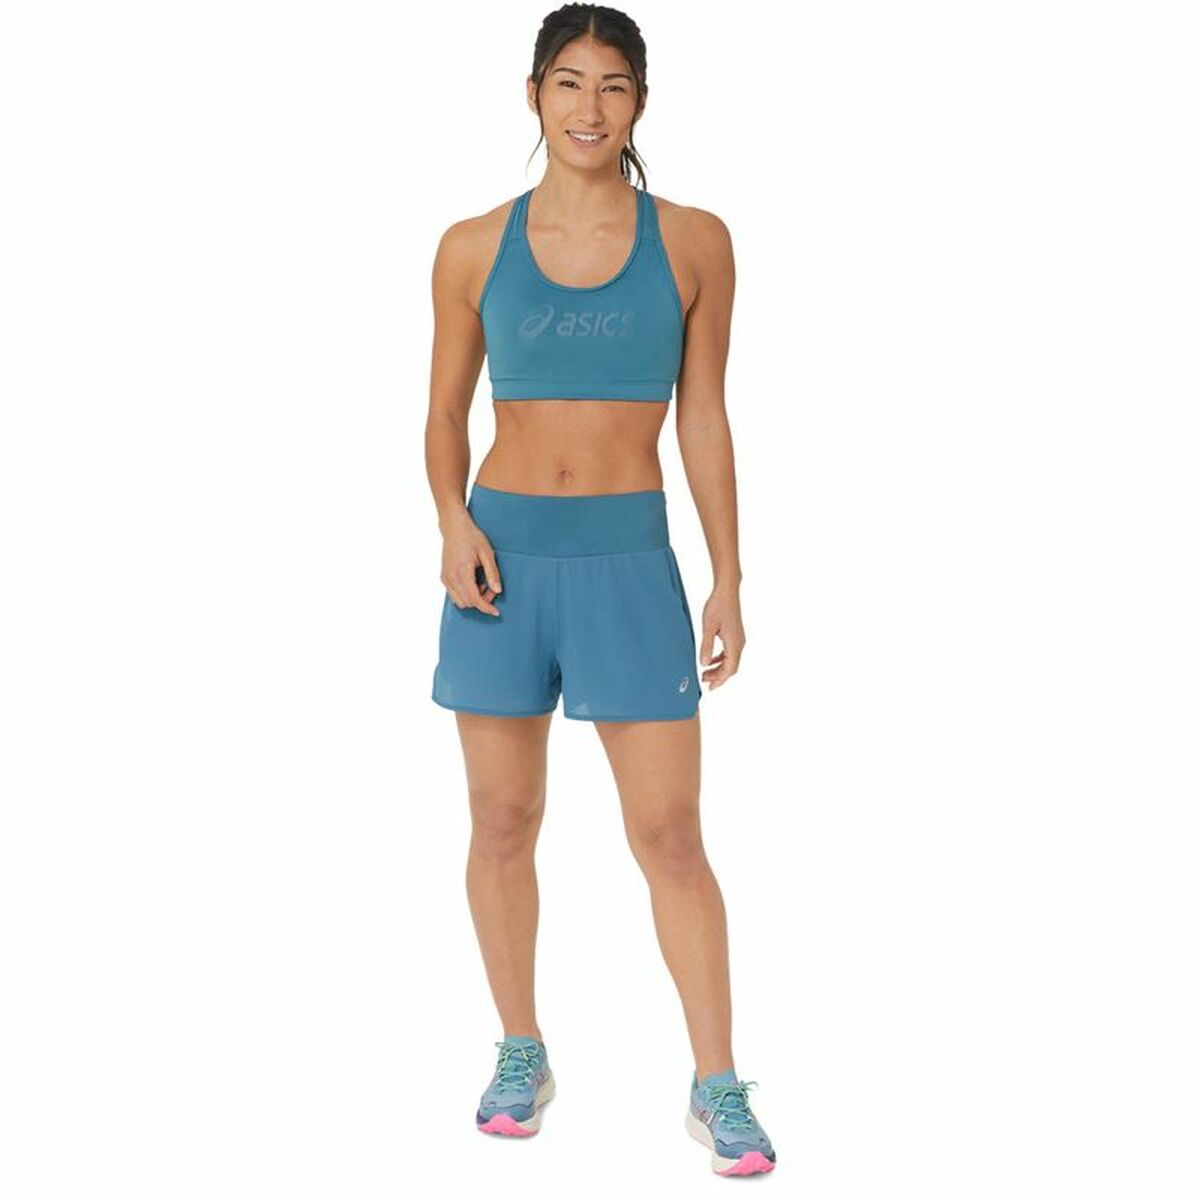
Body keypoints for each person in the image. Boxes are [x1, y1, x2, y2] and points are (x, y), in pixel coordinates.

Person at [424, 4, 775, 1177]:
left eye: (612, 85)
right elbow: (442, 414)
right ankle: (520, 1049)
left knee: (670, 834)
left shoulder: (697, 242)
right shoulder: (472, 246)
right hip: (502, 565)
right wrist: (452, 521)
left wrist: (728, 574)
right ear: (533, 95)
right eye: (568, 83)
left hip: (630, 563)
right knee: (501, 821)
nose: (589, 107)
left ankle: (717, 1083)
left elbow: (705, 417)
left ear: (639, 104)